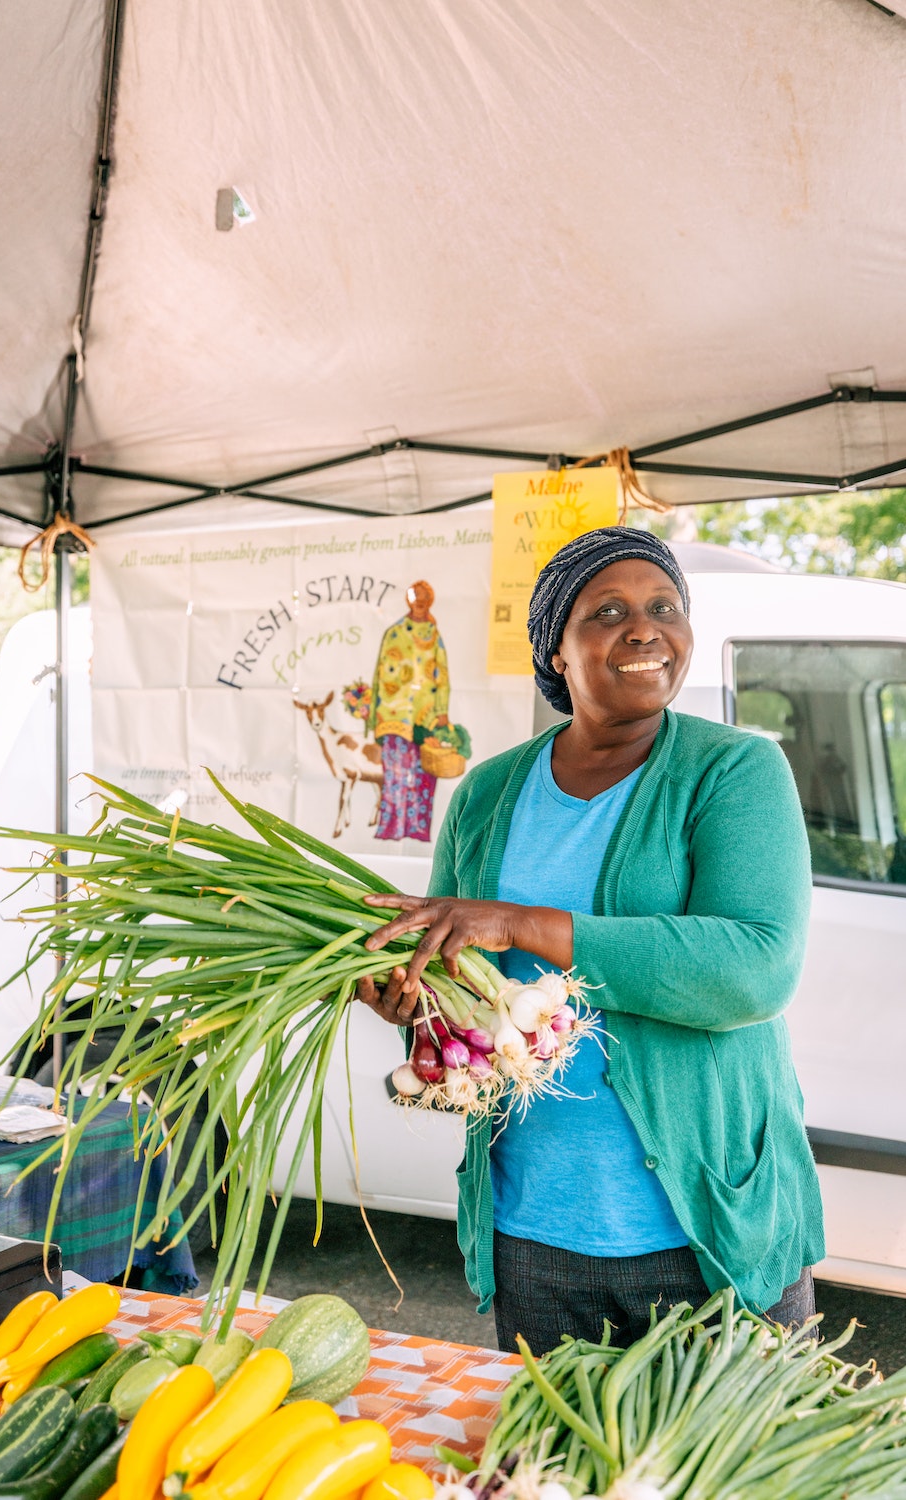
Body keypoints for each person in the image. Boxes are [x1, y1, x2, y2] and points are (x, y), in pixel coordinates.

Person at [358, 527, 824, 1354]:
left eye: (664, 608)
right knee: (550, 1481)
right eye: (607, 612)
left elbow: (754, 967)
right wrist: (414, 1005)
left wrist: (522, 922)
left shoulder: (735, 771)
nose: (645, 628)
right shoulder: (487, 795)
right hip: (535, 1227)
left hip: (708, 1228)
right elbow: (461, 986)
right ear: (558, 653)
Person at [368, 580, 450, 843]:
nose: (420, 606)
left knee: (424, 775)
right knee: (396, 775)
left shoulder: (434, 635)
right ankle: (392, 827)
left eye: (425, 602)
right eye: (417, 602)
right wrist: (374, 719)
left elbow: (442, 677)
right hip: (393, 717)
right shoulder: (395, 633)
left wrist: (441, 714)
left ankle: (417, 829)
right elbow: (380, 677)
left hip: (425, 718)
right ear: (409, 602)